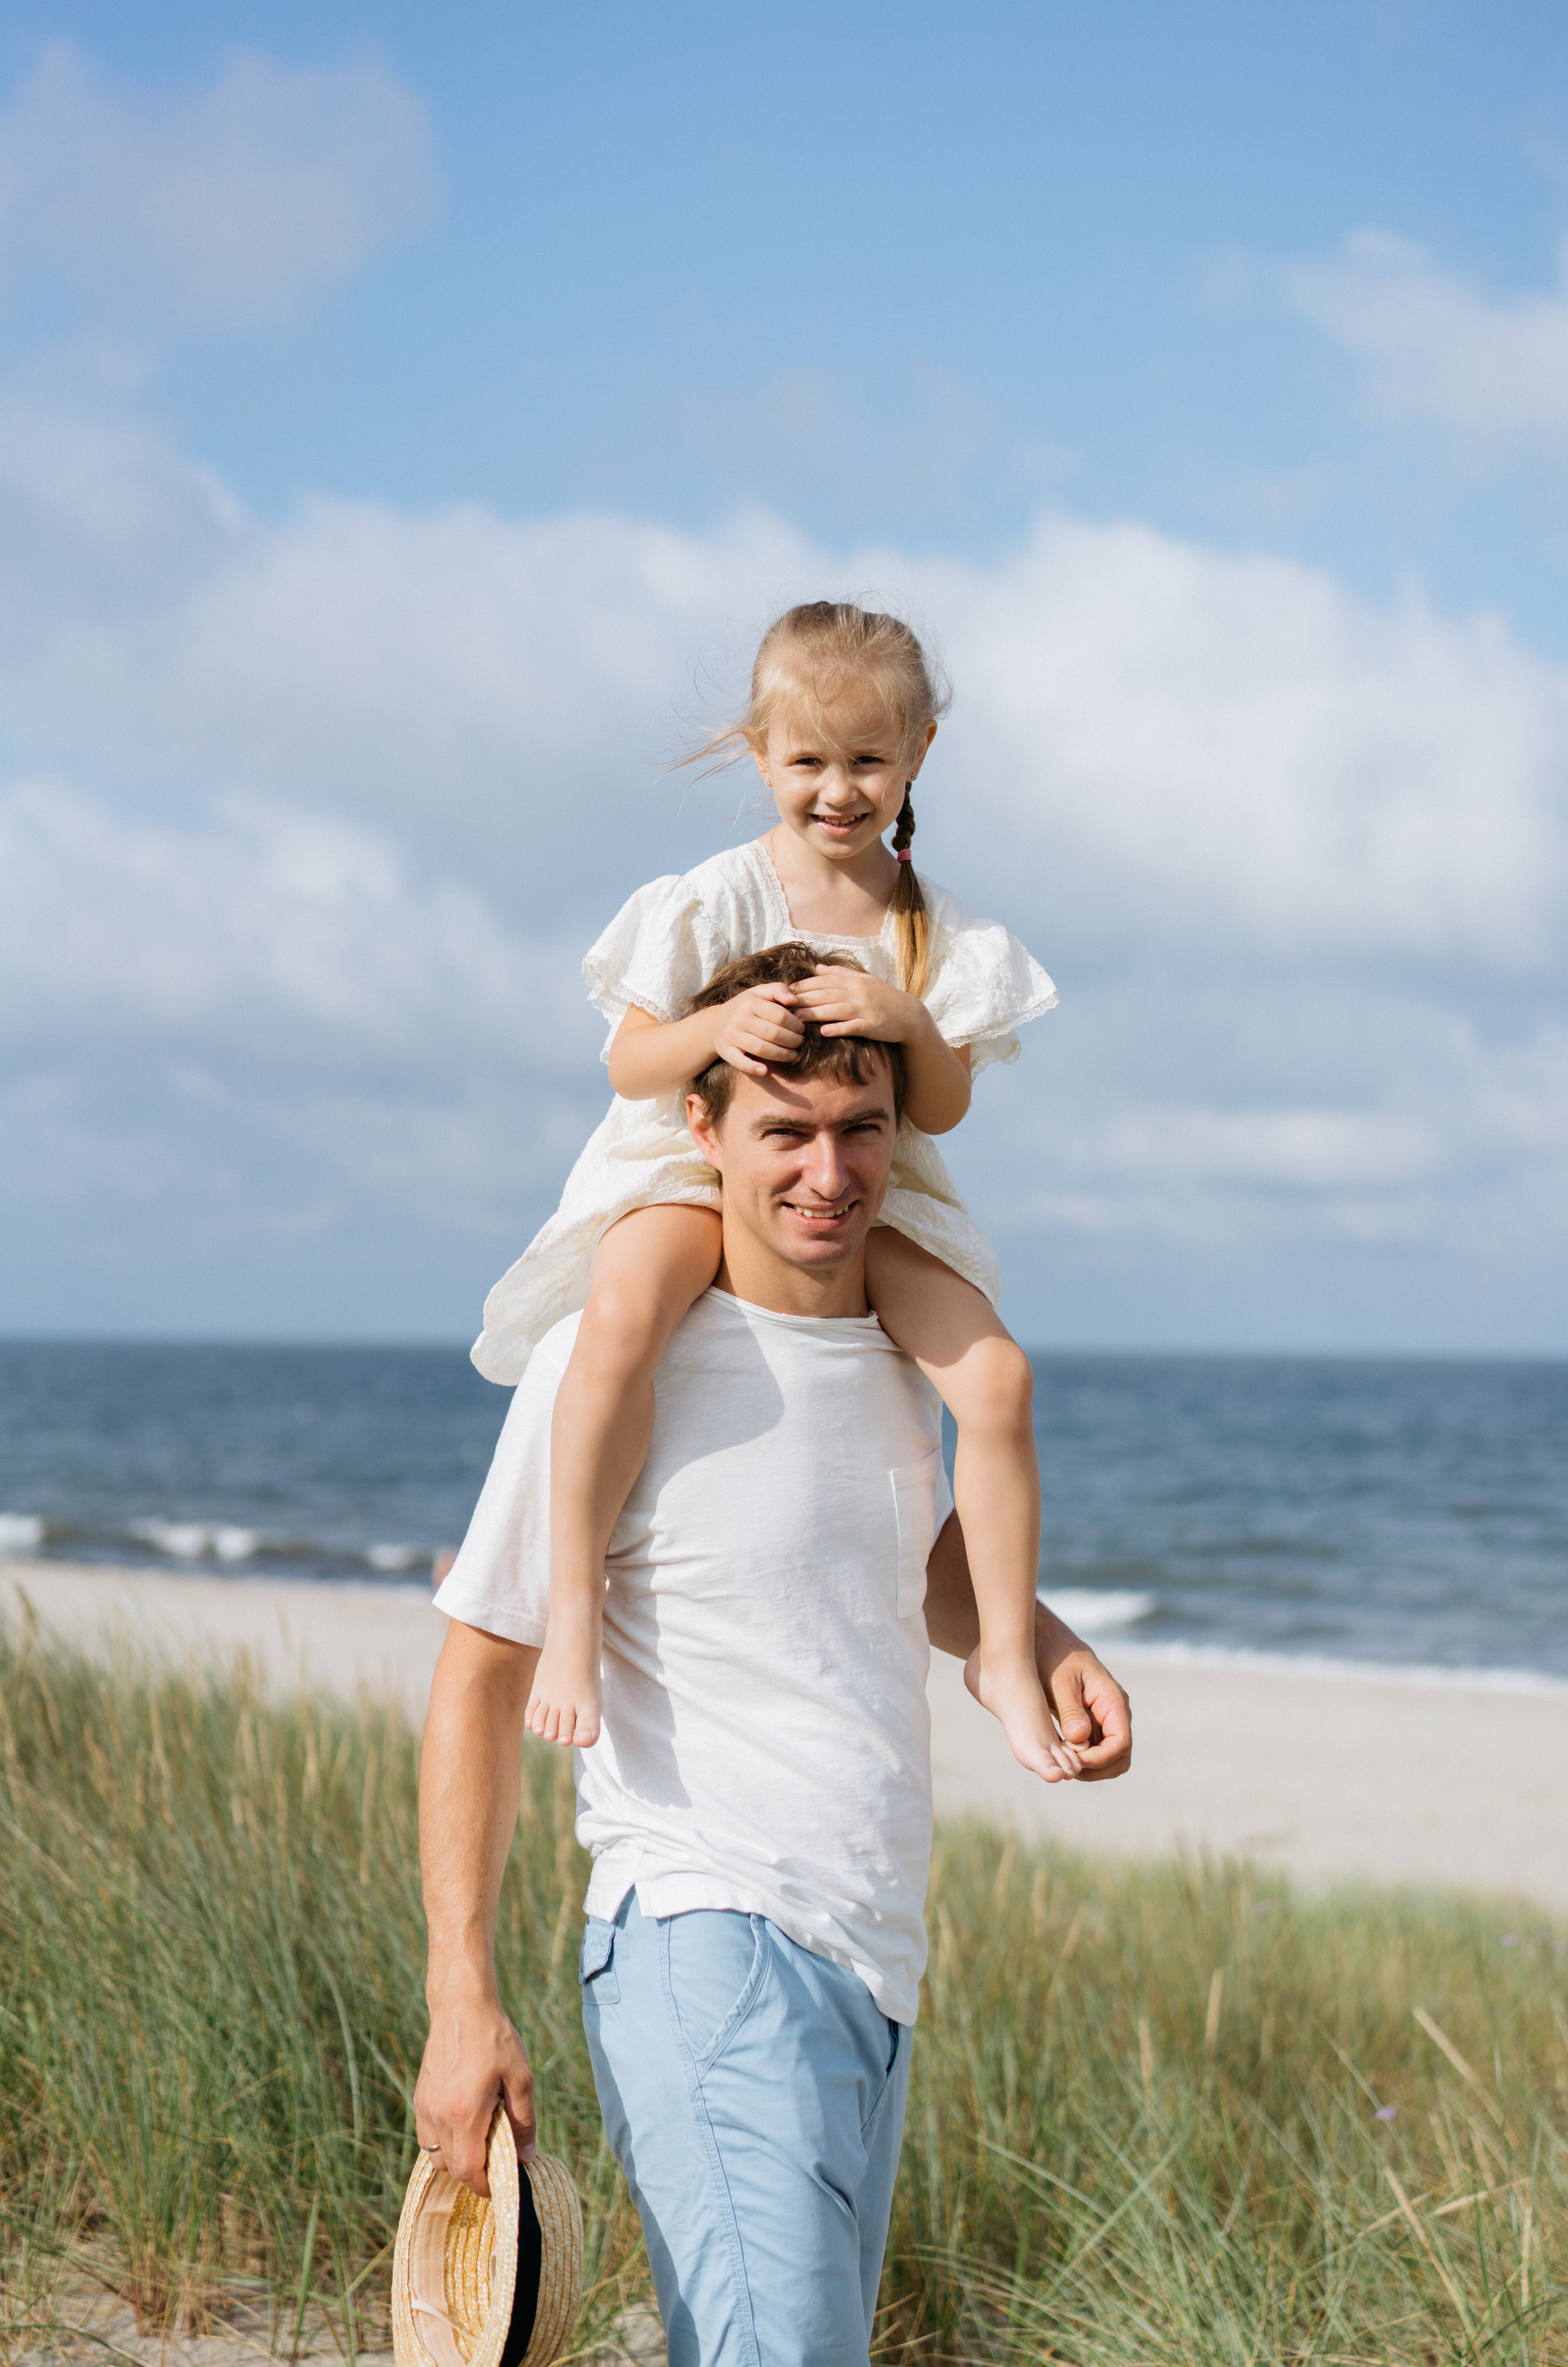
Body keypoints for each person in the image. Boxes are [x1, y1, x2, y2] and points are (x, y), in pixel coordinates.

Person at [417, 948, 1131, 2365]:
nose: (828, 1172)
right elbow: (480, 1672)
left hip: (873, 1960)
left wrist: (1035, 1640)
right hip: (707, 1936)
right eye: (784, 1131)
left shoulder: (903, 1354)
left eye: (860, 1129)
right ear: (703, 1127)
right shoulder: (606, 1364)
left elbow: (886, 1564)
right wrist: (461, 1992)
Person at [472, 601, 1073, 1782]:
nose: (839, 791)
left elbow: (940, 1108)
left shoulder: (935, 930)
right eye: (808, 761)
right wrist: (713, 1026)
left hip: (866, 1191)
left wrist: (907, 1021)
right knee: (623, 1318)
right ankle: (574, 1613)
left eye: (869, 761)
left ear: (920, 753)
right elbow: (630, 1064)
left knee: (999, 1377)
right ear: (760, 754)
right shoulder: (715, 898)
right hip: (687, 1172)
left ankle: (1005, 1653)